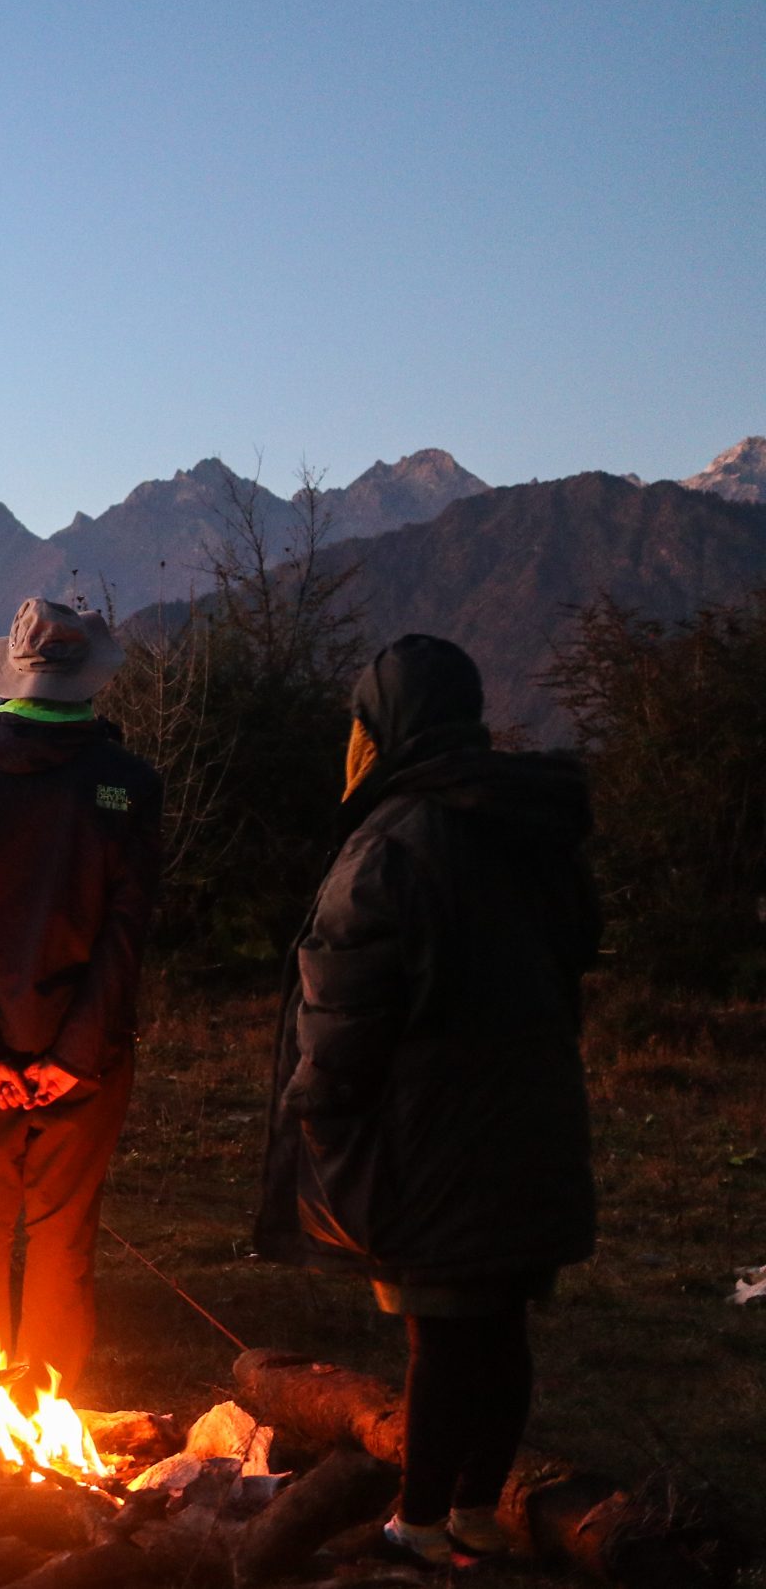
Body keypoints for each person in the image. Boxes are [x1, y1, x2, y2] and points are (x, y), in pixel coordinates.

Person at [256, 634, 598, 1568]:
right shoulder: (526, 824)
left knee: (439, 1333)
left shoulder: (391, 843)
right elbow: (571, 960)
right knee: (498, 1324)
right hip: (529, 1120)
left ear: (384, 727)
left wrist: (320, 1117)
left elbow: (343, 1008)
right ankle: (480, 1512)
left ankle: (419, 1522)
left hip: (431, 1133)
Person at [0, 596, 161, 1395]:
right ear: (89, 679)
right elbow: (126, 935)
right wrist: (74, 1056)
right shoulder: (126, 786)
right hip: (86, 1065)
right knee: (61, 1239)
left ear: (11, 675)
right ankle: (48, 1409)